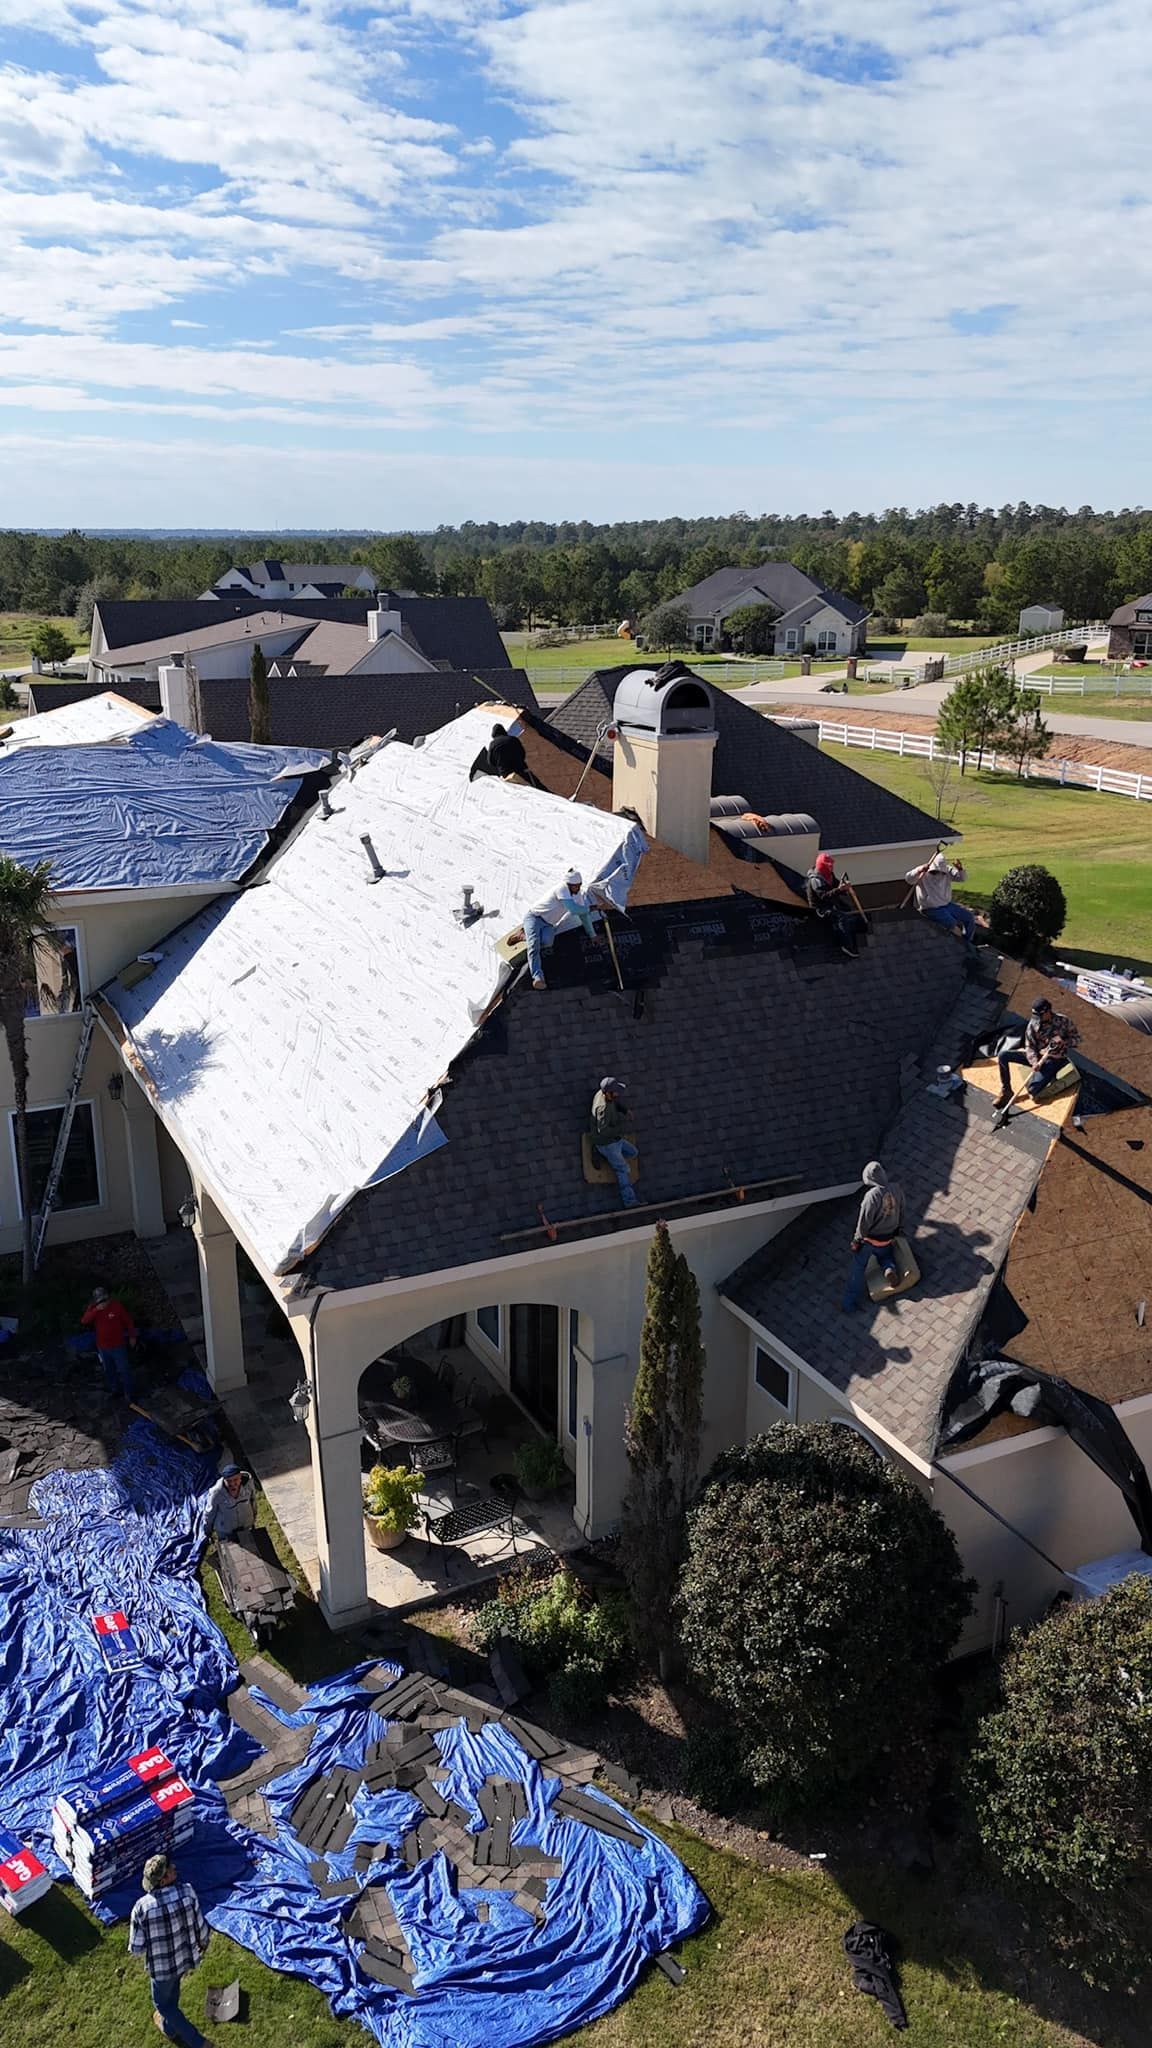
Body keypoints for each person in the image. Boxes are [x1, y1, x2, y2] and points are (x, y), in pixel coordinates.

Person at [128, 1854, 211, 2048]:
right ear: (164, 1879)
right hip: (185, 1958)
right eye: (170, 1868)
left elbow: (137, 1947)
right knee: (172, 1995)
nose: (174, 1867)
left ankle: (199, 2043)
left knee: (162, 2004)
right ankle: (169, 2028)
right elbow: (201, 1926)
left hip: (161, 1969)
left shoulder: (141, 1908)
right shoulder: (188, 1892)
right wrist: (203, 1942)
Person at [995, 995, 1082, 1110]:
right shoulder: (1033, 1024)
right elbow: (1029, 1046)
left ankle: (1049, 1076)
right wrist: (1034, 1061)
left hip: (1054, 1060)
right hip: (1037, 1057)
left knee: (1032, 1090)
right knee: (1003, 1056)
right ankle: (1006, 1091)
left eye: (1040, 1015)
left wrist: (1063, 1041)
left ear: (1047, 1011)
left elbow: (1077, 1039)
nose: (1037, 1019)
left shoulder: (1063, 1021)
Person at [842, 1162, 904, 1312]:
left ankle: (849, 1303)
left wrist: (857, 1240)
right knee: (885, 1256)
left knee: (858, 1268)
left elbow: (863, 1223)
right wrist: (899, 1229)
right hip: (887, 1237)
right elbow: (902, 1210)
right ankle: (889, 1269)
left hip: (870, 1240)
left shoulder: (871, 1197)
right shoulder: (896, 1189)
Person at [523, 869, 600, 990]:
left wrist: (592, 935)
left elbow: (583, 915)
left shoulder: (577, 894)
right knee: (534, 946)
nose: (579, 888)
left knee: (547, 942)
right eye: (576, 886)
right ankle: (538, 977)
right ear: (569, 885)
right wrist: (589, 908)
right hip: (534, 918)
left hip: (548, 923)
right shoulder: (562, 889)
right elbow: (574, 909)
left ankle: (523, 936)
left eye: (580, 885)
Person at [906, 851, 978, 943]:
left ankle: (968, 943)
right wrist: (919, 870)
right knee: (952, 924)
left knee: (969, 918)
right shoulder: (923, 873)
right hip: (931, 908)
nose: (938, 874)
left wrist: (960, 869)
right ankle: (961, 946)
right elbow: (908, 879)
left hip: (947, 905)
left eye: (941, 872)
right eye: (935, 872)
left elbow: (962, 878)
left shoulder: (947, 871)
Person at [589, 1077, 638, 1208]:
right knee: (622, 1170)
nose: (618, 1094)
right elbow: (603, 1131)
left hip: (616, 1139)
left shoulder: (605, 1094)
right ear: (608, 1093)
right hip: (607, 1143)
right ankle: (630, 1202)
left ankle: (607, 1157)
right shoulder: (602, 1109)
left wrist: (625, 1110)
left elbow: (615, 1103)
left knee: (633, 1152)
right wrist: (619, 1128)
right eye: (615, 1092)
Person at [81, 1285, 137, 1400]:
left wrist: (132, 1336)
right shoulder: (93, 1309)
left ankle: (129, 1394)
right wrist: (96, 1310)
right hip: (103, 1347)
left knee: (124, 1370)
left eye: (104, 1300)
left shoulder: (116, 1306)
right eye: (100, 1301)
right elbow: (84, 1321)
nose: (103, 1303)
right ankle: (115, 1390)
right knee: (109, 1371)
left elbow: (128, 1321)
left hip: (118, 1346)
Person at [805, 852, 861, 959]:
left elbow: (835, 884)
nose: (831, 868)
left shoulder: (829, 875)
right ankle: (846, 946)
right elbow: (824, 896)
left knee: (849, 910)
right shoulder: (815, 880)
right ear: (823, 866)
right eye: (829, 866)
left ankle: (855, 937)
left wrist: (843, 887)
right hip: (820, 909)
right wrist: (839, 890)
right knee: (841, 917)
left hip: (831, 903)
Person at [469, 722, 541, 787]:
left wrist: (500, 765)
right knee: (537, 786)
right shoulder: (513, 739)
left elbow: (490, 761)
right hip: (521, 769)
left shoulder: (492, 744)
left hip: (506, 773)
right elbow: (522, 753)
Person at [202, 1463, 255, 1542]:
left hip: (246, 1525)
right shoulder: (216, 1492)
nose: (233, 1484)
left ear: (240, 1477)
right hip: (226, 1531)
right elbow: (210, 1513)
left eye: (235, 1480)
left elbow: (253, 1500)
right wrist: (207, 1531)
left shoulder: (248, 1485)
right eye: (229, 1481)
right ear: (224, 1480)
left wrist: (253, 1517)